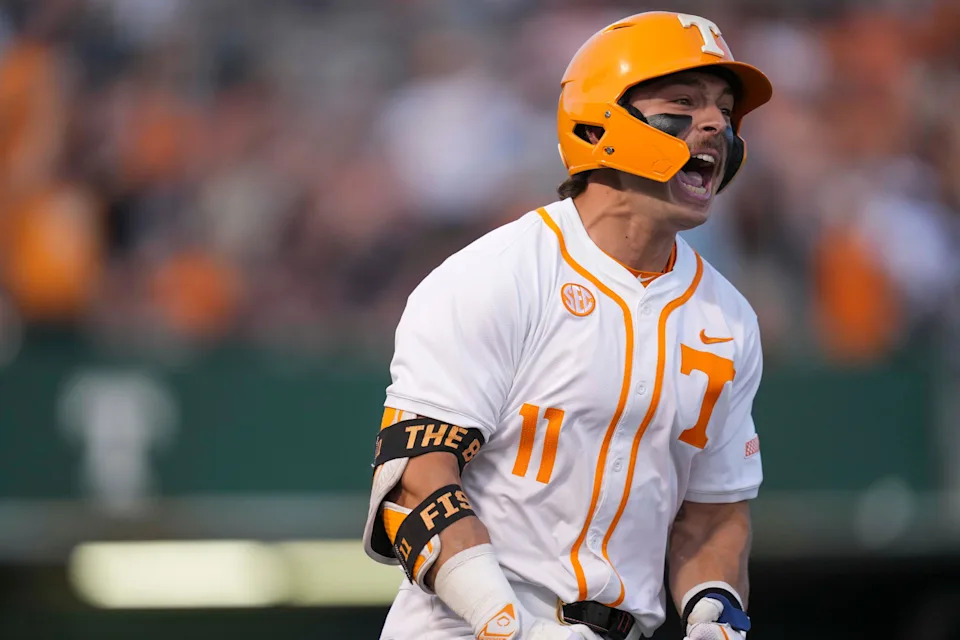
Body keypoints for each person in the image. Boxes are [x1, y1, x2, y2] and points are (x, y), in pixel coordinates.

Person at [363, 11, 772, 640]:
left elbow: (714, 514)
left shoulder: (729, 319)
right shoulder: (497, 273)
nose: (715, 124)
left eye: (723, 108)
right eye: (684, 103)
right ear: (600, 120)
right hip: (467, 622)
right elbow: (413, 482)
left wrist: (716, 617)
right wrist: (500, 620)